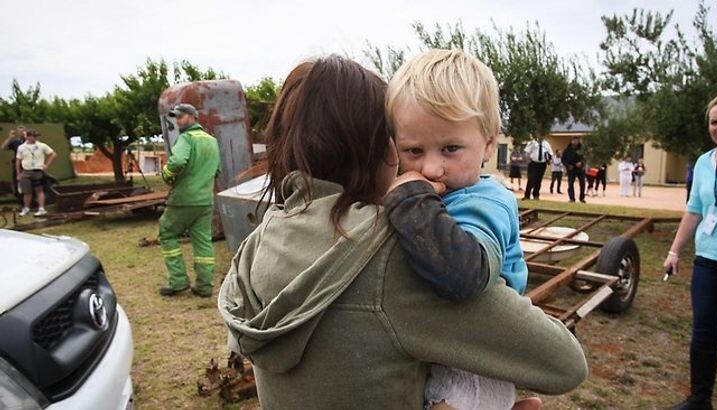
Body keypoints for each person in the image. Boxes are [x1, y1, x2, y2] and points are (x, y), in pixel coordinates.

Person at [218, 55, 588, 409]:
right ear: (379, 148)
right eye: (409, 148)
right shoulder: (392, 251)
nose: (429, 167)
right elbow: (565, 363)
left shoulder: (258, 243)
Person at [384, 49, 536, 410]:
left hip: (473, 368)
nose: (433, 167)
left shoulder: (485, 201)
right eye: (413, 150)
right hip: (444, 350)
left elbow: (463, 274)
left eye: (450, 148)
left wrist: (409, 200)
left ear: (488, 142)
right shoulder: (443, 190)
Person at [663, 95, 717, 410]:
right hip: (707, 261)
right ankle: (700, 399)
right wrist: (675, 251)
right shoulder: (704, 162)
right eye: (715, 122)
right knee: (703, 332)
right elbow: (694, 211)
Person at [158, 103, 221, 297]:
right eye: (176, 117)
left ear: (193, 117)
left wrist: (166, 175)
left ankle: (178, 282)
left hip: (184, 199)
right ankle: (204, 286)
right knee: (203, 241)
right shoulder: (212, 141)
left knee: (167, 233)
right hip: (205, 200)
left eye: (181, 116)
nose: (178, 120)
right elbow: (217, 171)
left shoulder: (186, 138)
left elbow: (177, 162)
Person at [15, 130, 56, 216]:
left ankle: (41, 208)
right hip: (26, 171)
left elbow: (53, 154)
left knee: (39, 190)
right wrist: (18, 173)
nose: (35, 138)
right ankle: (26, 208)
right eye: (33, 136)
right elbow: (18, 161)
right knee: (26, 191)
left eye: (36, 136)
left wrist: (46, 165)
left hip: (37, 170)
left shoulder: (41, 145)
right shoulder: (21, 147)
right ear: (28, 137)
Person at [1, 125, 26, 205]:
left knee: (27, 183)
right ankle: (20, 200)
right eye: (19, 130)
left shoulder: (30, 140)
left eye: (22, 130)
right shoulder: (16, 141)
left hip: (27, 164)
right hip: (17, 164)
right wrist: (9, 138)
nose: (21, 132)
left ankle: (28, 201)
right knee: (17, 182)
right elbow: (3, 147)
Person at [562, 137, 586, 203]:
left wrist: (581, 163)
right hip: (571, 169)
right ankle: (572, 198)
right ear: (571, 141)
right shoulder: (567, 150)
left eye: (577, 141)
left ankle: (582, 198)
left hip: (580, 169)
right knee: (570, 184)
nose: (575, 142)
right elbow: (563, 160)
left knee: (582, 183)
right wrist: (568, 166)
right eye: (574, 140)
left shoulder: (582, 150)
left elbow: (585, 158)